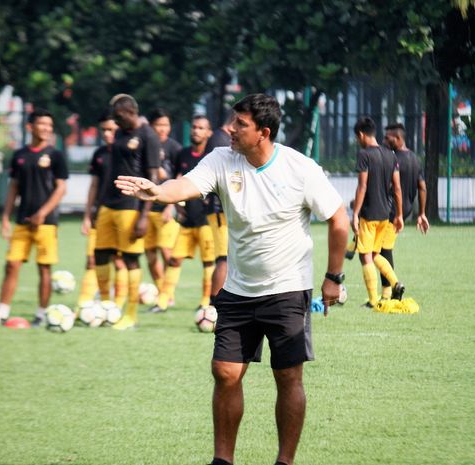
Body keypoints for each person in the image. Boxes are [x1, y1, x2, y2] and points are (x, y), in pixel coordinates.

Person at [115, 94, 348, 465]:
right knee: (224, 373)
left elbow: (339, 219)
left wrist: (333, 277)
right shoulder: (222, 159)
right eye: (232, 121)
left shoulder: (299, 168)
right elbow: (187, 184)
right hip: (238, 291)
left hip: (288, 290)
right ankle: (222, 461)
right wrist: (158, 192)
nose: (230, 129)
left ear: (263, 132)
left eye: (240, 124)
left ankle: (284, 461)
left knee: (288, 377)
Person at [93, 94, 161, 330]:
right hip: (107, 204)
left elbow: (153, 177)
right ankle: (105, 308)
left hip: (130, 207)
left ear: (131, 112)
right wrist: (97, 205)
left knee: (130, 259)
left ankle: (131, 314)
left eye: (119, 117)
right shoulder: (120, 133)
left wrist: (144, 216)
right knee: (100, 254)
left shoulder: (148, 135)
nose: (116, 122)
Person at [0, 108, 68, 326]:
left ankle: (41, 313)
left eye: (49, 125)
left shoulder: (56, 155)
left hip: (46, 224)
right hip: (22, 221)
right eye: (42, 124)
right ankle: (2, 311)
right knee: (11, 265)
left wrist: (43, 213)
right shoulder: (20, 155)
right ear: (30, 127)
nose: (46, 128)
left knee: (44, 268)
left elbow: (61, 188)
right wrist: (6, 217)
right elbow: (13, 188)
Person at [150, 115, 215, 313]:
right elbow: (177, 180)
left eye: (201, 128)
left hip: (206, 221)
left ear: (208, 133)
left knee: (209, 262)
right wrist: (175, 205)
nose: (196, 131)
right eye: (194, 127)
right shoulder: (183, 154)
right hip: (186, 220)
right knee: (174, 259)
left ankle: (205, 302)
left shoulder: (213, 157)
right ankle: (163, 301)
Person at [351, 116, 404, 308]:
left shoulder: (364, 155)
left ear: (362, 134)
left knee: (365, 256)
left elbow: (362, 186)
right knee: (374, 254)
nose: (358, 141)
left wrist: (355, 214)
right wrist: (398, 215)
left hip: (369, 213)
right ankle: (396, 283)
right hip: (385, 213)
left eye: (358, 137)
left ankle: (373, 301)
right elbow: (397, 188)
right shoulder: (391, 154)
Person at [77, 113, 127, 306]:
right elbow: (94, 186)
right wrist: (87, 215)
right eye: (104, 130)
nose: (107, 134)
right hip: (101, 214)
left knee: (120, 260)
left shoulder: (126, 152)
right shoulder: (99, 154)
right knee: (92, 259)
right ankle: (86, 303)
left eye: (111, 130)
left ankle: (118, 305)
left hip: (123, 213)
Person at [378, 122, 429, 299]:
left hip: (392, 209)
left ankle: (391, 290)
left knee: (380, 251)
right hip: (404, 209)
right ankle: (388, 293)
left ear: (398, 138)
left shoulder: (392, 159)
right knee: (383, 249)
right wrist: (421, 213)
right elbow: (422, 187)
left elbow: (390, 186)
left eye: (388, 137)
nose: (384, 140)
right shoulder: (415, 158)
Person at [145, 108, 182, 295]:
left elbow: (179, 178)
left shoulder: (174, 148)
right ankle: (161, 293)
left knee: (166, 252)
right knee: (150, 255)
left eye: (165, 125)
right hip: (146, 209)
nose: (162, 129)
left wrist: (170, 206)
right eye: (158, 125)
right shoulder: (145, 145)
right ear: (151, 126)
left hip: (166, 209)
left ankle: (168, 295)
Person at [204, 114, 234, 303]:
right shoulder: (220, 140)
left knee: (226, 259)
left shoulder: (220, 138)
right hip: (219, 210)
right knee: (223, 259)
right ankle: (214, 306)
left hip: (221, 209)